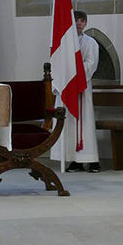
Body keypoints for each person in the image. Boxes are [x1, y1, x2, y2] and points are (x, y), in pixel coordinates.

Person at [51, 10, 100, 172]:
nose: (79, 23)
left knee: (84, 123)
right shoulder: (62, 43)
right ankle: (74, 159)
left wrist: (74, 75)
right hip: (66, 87)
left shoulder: (90, 42)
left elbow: (91, 63)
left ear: (85, 23)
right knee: (69, 123)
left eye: (82, 20)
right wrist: (65, 77)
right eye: (76, 20)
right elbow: (56, 64)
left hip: (82, 87)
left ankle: (91, 160)